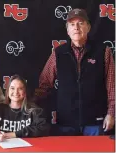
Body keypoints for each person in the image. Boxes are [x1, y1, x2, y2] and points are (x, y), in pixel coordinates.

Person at [34, 8, 115, 136]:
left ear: (88, 27)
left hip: (95, 123)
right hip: (65, 124)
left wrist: (112, 114)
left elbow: (112, 87)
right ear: (67, 30)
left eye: (80, 23)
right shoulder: (58, 53)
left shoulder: (103, 51)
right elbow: (44, 86)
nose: (76, 27)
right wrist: (27, 107)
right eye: (72, 24)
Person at [0, 74, 51, 142]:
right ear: (8, 91)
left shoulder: (34, 111)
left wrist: (14, 134)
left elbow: (44, 128)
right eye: (12, 88)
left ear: (25, 92)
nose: (16, 92)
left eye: (20, 88)